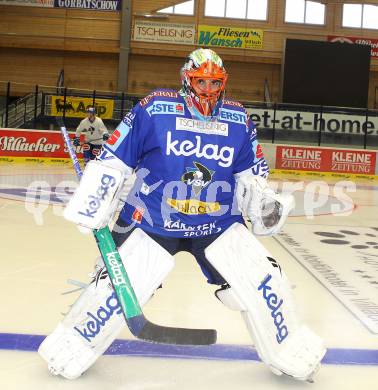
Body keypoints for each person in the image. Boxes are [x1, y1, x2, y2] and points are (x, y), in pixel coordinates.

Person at [39, 49, 326, 381]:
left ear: (224, 83)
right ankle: (72, 343)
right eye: (200, 81)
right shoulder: (154, 109)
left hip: (217, 223)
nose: (207, 89)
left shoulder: (238, 119)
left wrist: (262, 203)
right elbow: (114, 160)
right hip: (152, 218)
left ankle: (288, 348)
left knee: (264, 278)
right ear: (187, 79)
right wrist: (94, 200)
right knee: (117, 287)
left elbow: (251, 175)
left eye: (214, 82)